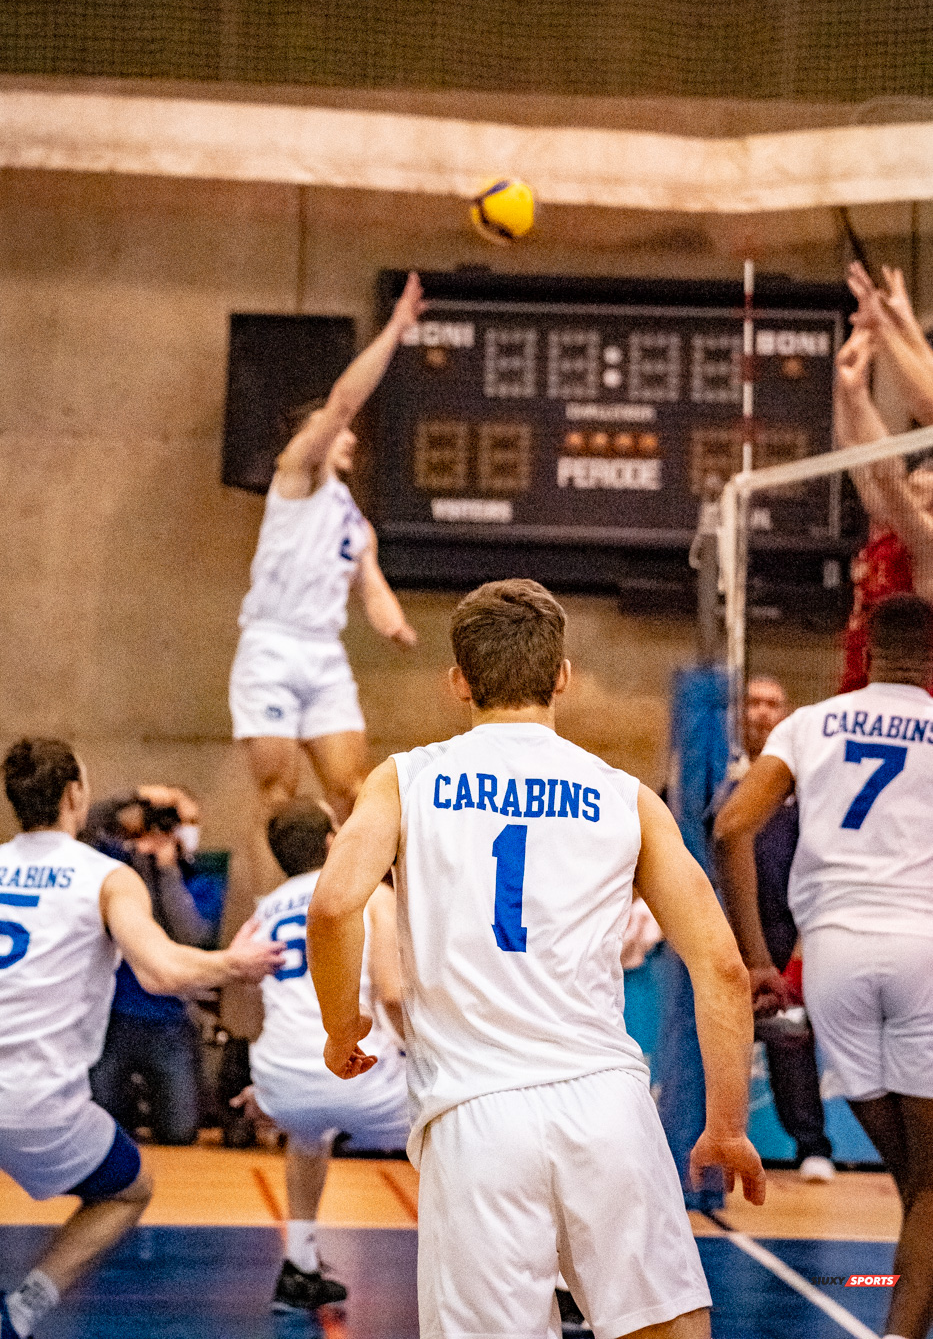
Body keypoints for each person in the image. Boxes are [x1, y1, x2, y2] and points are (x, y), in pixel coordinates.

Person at [308, 579, 765, 1339]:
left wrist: (339, 1025)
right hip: (605, 1104)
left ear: (458, 681)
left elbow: (332, 905)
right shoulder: (625, 797)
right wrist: (724, 1124)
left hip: (475, 1115)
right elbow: (719, 967)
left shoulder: (405, 779)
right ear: (561, 675)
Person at [0, 739, 284, 1339]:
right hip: (35, 1103)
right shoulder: (106, 877)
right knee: (128, 1191)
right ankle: (19, 1311)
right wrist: (236, 963)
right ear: (75, 794)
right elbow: (163, 970)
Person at [715, 594, 933, 1339]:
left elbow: (729, 826)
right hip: (922, 947)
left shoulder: (805, 724)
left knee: (919, 1182)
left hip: (832, 957)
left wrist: (756, 959)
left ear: (865, 656)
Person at [229, 271, 425, 831]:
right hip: (271, 647)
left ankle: (356, 902)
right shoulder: (298, 477)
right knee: (280, 794)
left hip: (323, 652)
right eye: (335, 430)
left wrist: (396, 627)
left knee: (353, 790)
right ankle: (292, 903)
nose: (349, 436)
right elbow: (342, 404)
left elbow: (372, 587)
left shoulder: (355, 520)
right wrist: (394, 330)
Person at [235, 798, 408, 1314]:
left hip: (281, 1081)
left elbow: (247, 1001)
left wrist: (267, 1084)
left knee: (308, 1133)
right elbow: (394, 995)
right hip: (358, 1075)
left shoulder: (264, 909)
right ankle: (546, 1280)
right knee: (462, 1128)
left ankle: (299, 1265)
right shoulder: (369, 895)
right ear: (334, 843)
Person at [711, 676, 835, 1181]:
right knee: (717, 1039)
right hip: (721, 929)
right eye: (753, 702)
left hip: (785, 929)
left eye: (772, 703)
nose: (762, 712)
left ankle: (812, 1147)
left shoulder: (805, 784)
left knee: (791, 1037)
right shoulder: (711, 776)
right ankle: (712, 1141)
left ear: (786, 713)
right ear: (739, 712)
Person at [88, 787, 212, 1145]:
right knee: (103, 1127)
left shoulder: (198, 877)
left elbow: (193, 936)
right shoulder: (116, 867)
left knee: (180, 1132)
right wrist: (136, 795)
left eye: (182, 823)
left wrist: (168, 871)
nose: (167, 831)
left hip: (170, 1023)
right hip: (114, 1019)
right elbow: (84, 825)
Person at [836, 272, 933, 693]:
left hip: (913, 705)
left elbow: (889, 478)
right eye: (922, 471)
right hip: (862, 690)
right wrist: (850, 391)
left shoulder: (925, 544)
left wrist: (891, 328)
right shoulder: (889, 530)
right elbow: (859, 458)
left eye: (931, 476)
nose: (922, 476)